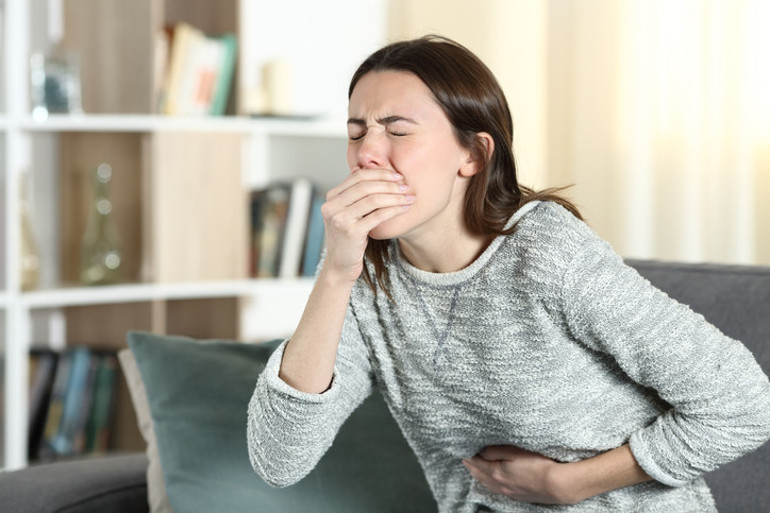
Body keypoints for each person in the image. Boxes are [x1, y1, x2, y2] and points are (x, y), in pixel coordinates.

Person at [247, 35, 770, 512]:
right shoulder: (361, 276)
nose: (367, 155)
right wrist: (336, 274)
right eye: (356, 132)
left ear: (473, 154)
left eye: (397, 131)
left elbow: (745, 404)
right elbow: (279, 459)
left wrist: (573, 484)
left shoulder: (546, 254)